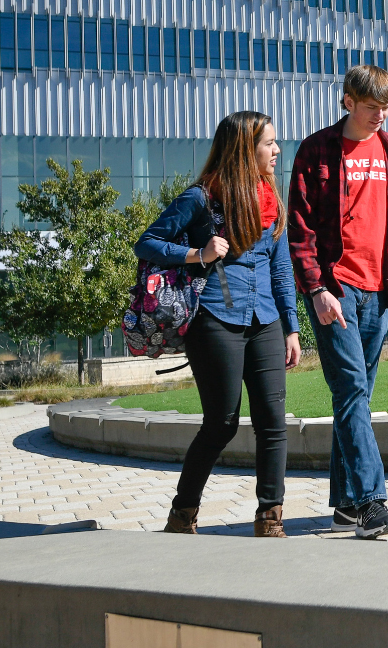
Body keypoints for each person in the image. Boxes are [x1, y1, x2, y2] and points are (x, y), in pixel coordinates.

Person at [135, 111, 302, 538]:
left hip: (264, 318)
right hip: (215, 319)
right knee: (222, 424)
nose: (277, 151)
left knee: (273, 421)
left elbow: (281, 269)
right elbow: (148, 242)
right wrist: (198, 254)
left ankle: (270, 519)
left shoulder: (272, 199)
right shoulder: (201, 198)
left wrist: (291, 326)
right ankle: (182, 515)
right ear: (246, 148)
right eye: (269, 143)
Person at [288, 65, 388, 539]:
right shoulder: (316, 151)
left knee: (358, 397)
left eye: (386, 107)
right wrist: (317, 289)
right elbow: (300, 233)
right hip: (336, 289)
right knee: (349, 391)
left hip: (378, 293)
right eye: (371, 108)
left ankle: (345, 506)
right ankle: (371, 503)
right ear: (347, 101)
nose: (380, 116)